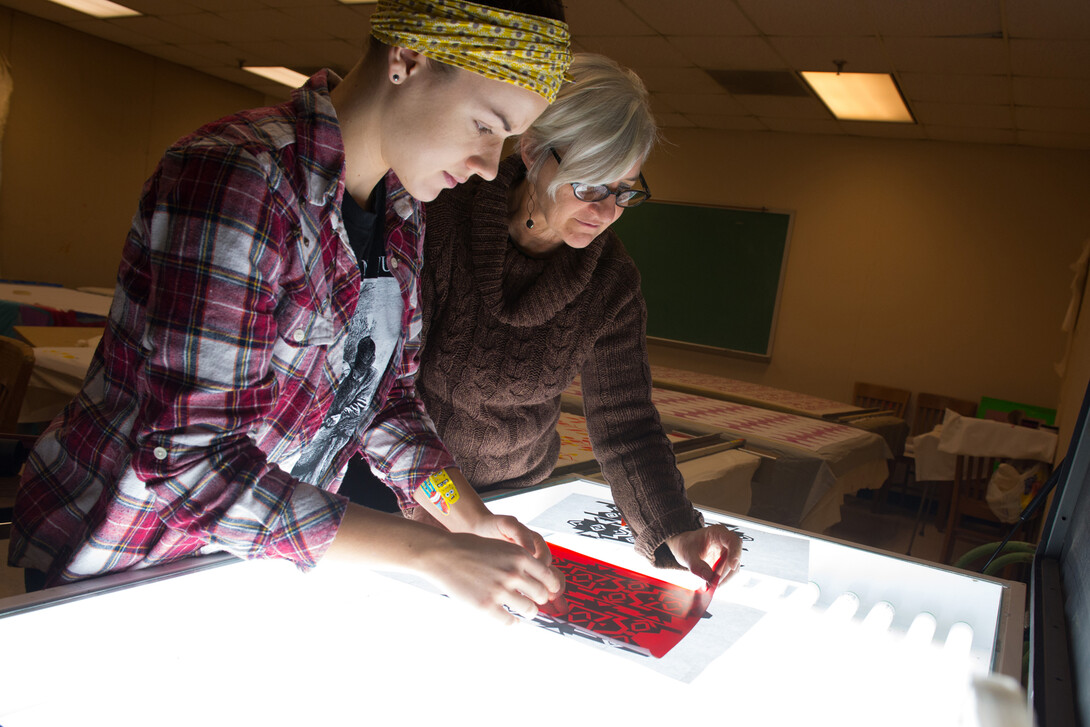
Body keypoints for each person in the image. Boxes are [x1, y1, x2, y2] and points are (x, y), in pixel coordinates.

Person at [9, 0, 573, 624]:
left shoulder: (403, 212)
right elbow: (189, 462)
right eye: (486, 127)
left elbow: (382, 404)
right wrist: (430, 551)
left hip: (261, 560)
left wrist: (468, 516)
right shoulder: (240, 175)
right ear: (408, 60)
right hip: (133, 558)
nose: (490, 168)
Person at [413, 53, 743, 585]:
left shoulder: (611, 283)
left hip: (519, 498)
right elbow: (387, 398)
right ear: (533, 153)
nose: (606, 211)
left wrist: (675, 528)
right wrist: (452, 513)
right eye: (589, 185)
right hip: (409, 487)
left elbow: (626, 422)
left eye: (625, 191)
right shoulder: (440, 217)